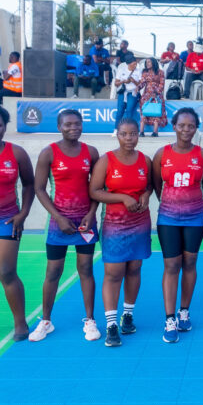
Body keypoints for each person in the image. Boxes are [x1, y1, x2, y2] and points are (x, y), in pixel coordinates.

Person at [29, 110, 100, 342]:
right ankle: (46, 321)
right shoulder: (48, 152)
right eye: (68, 124)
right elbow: (39, 188)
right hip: (57, 222)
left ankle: (90, 320)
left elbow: (97, 187)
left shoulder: (91, 152)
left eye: (77, 124)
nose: (73, 128)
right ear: (59, 127)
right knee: (53, 271)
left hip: (85, 222)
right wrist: (58, 217)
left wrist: (91, 213)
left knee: (86, 269)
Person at [89, 118, 152, 347]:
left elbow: (150, 186)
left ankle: (128, 315)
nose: (129, 138)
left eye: (133, 133)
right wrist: (123, 197)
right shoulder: (106, 160)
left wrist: (145, 195)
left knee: (134, 268)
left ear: (138, 135)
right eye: (124, 134)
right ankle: (111, 324)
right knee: (114, 272)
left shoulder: (145, 160)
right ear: (118, 135)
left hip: (140, 221)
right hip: (114, 224)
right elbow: (94, 191)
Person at [152, 108, 203, 343]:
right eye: (182, 125)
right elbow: (157, 184)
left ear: (196, 128)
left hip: (195, 217)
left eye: (191, 126)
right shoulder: (162, 154)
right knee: (171, 265)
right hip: (168, 218)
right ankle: (169, 319)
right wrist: (171, 203)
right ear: (174, 126)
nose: (186, 130)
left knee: (189, 263)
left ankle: (184, 311)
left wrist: (190, 202)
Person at [0, 102, 34, 341]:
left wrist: (23, 213)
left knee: (6, 272)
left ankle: (20, 323)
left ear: (5, 127)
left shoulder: (16, 153)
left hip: (6, 221)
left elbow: (29, 185)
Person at [113, 53, 141, 135]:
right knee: (120, 111)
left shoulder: (138, 71)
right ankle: (116, 129)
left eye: (136, 64)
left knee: (129, 111)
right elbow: (116, 83)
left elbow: (140, 84)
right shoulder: (122, 71)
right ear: (128, 64)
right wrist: (123, 81)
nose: (135, 65)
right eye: (133, 64)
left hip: (132, 93)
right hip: (123, 92)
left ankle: (128, 130)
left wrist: (133, 81)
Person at [138, 57, 167, 137]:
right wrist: (138, 87)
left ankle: (155, 132)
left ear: (153, 63)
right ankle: (141, 132)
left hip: (157, 95)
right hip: (146, 95)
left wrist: (156, 92)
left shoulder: (160, 72)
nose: (147, 64)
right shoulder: (145, 72)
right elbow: (142, 82)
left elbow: (162, 84)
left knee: (156, 112)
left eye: (149, 62)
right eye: (146, 62)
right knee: (144, 112)